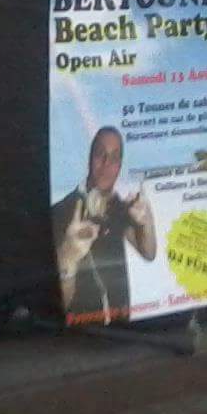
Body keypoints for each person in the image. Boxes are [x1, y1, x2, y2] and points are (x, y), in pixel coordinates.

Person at [50, 126, 157, 324]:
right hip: (82, 335)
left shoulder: (118, 206)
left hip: (124, 330)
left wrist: (147, 224)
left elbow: (148, 253)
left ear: (120, 165)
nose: (107, 164)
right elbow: (59, 305)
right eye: (101, 154)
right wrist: (67, 258)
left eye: (114, 158)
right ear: (90, 158)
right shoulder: (58, 212)